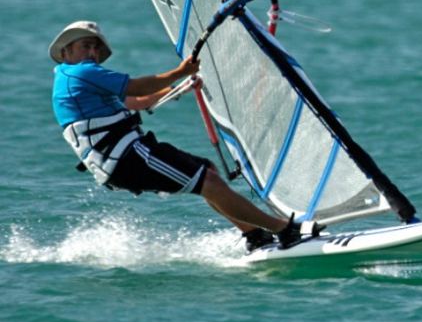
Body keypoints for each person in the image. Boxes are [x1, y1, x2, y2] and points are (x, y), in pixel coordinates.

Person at [49, 20, 314, 252]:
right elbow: (136, 86)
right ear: (66, 51)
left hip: (129, 154)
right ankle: (284, 229)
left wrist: (181, 87)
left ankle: (254, 234)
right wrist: (180, 71)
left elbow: (137, 101)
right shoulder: (80, 73)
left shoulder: (75, 79)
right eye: (86, 45)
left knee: (207, 171)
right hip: (125, 158)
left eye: (96, 47)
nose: (93, 52)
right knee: (207, 182)